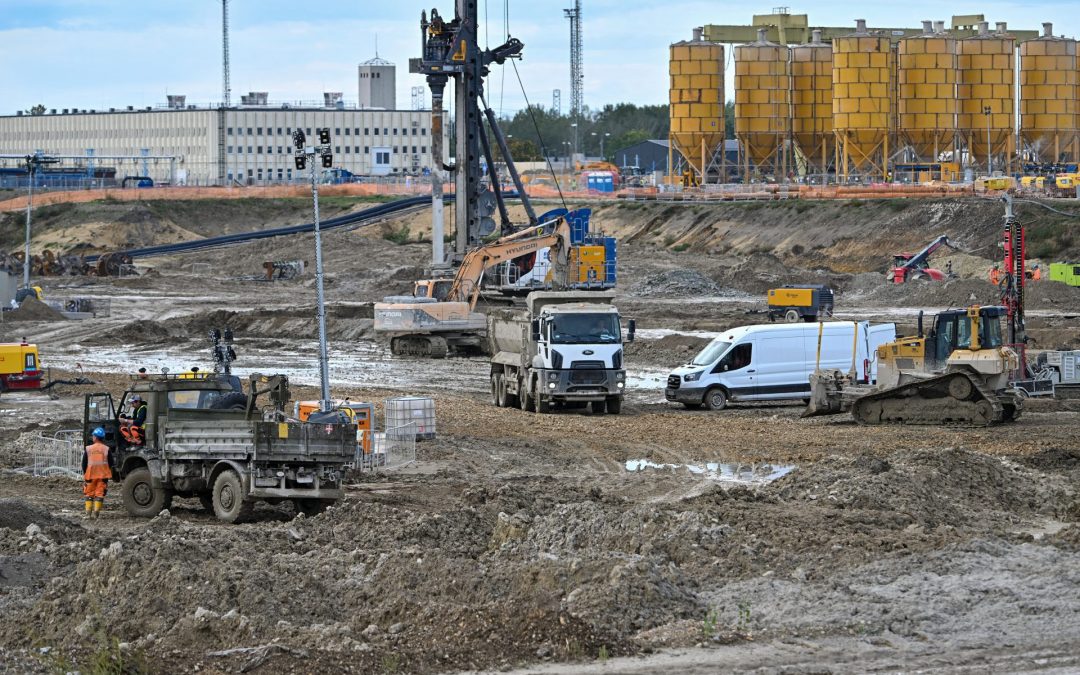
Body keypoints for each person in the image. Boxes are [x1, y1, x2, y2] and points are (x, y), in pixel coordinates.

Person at [82, 427, 112, 519]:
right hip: (103, 476)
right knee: (99, 494)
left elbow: (84, 463)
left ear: (95, 437)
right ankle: (96, 515)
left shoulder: (89, 449)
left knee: (89, 493)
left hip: (90, 475)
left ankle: (88, 515)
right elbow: (111, 463)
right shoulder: (106, 449)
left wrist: (85, 473)